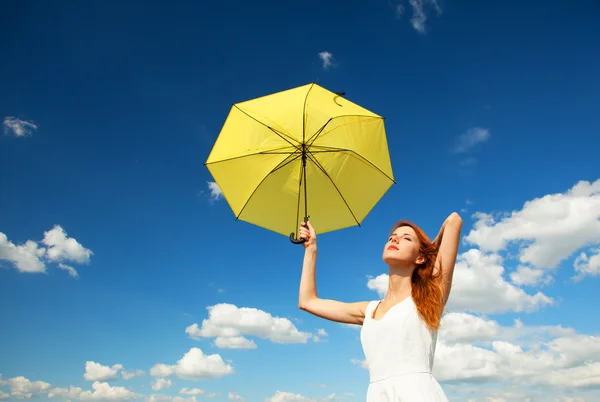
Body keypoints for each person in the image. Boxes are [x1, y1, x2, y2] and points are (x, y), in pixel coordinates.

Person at [297, 212, 462, 401]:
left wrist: (430, 253)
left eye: (406, 238)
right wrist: (311, 249)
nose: (395, 239)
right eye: (392, 237)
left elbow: (453, 220)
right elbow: (307, 301)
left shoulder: (429, 299)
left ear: (420, 258)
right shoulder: (369, 310)